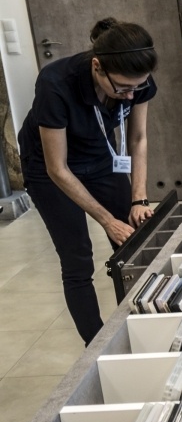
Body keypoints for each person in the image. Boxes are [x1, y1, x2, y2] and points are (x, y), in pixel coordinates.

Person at [18, 18, 158, 345]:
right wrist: (107, 220)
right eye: (122, 88)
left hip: (101, 157)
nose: (129, 95)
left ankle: (146, 324)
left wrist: (138, 197)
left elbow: (137, 139)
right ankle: (96, 348)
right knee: (78, 257)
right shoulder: (56, 84)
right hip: (48, 168)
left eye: (137, 87)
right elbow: (58, 168)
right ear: (97, 67)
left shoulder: (137, 83)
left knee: (135, 242)